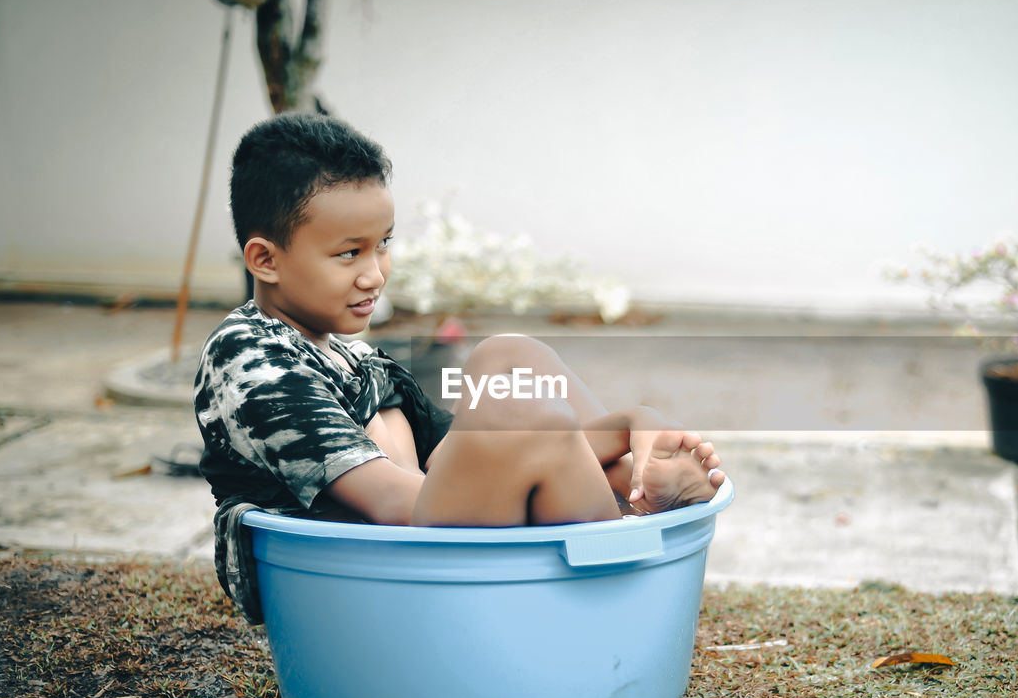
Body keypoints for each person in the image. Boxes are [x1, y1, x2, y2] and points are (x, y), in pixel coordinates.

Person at [195, 113, 725, 533]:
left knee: (512, 358)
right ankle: (627, 526)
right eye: (348, 254)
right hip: (379, 570)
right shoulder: (250, 360)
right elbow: (396, 505)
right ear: (266, 259)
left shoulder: (345, 351)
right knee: (523, 415)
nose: (374, 274)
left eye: (382, 245)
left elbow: (472, 459)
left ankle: (628, 494)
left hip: (439, 520)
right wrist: (532, 429)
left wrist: (632, 422)